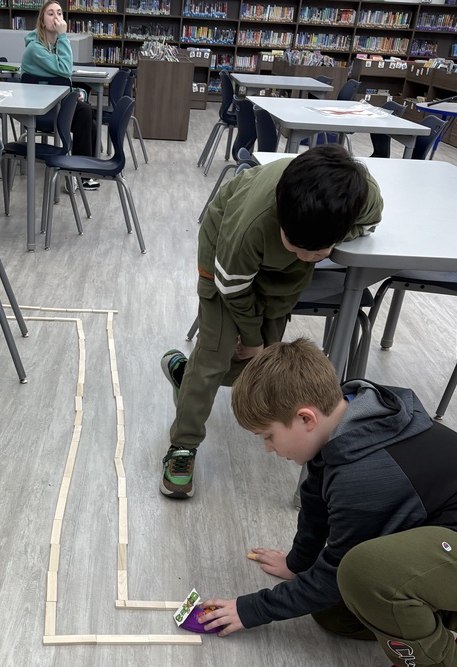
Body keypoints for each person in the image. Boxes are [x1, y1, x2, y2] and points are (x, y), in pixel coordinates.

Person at [195, 338, 457, 667]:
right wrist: (297, 564)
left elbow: (336, 570)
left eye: (268, 436)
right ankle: (443, 615)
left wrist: (251, 609)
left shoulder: (365, 473)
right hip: (451, 537)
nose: (268, 449)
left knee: (360, 573)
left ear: (306, 418)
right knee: (333, 610)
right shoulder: (348, 425)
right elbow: (315, 504)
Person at [160, 145, 384, 499]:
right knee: (215, 355)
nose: (307, 256)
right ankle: (183, 445)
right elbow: (232, 286)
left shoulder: (361, 196)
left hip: (283, 277)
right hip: (225, 262)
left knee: (263, 362)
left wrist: (259, 344)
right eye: (296, 245)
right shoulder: (250, 224)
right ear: (280, 214)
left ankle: (186, 377)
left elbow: (369, 221)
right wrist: (250, 336)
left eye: (318, 252)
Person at [21, 1, 100, 191]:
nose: (56, 18)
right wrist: (64, 36)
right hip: (41, 110)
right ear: (41, 21)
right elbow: (65, 70)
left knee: (88, 115)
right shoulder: (35, 48)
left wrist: (75, 95)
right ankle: (79, 173)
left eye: (59, 13)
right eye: (50, 14)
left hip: (55, 104)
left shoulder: (54, 45)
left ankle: (85, 169)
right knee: (85, 114)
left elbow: (56, 81)